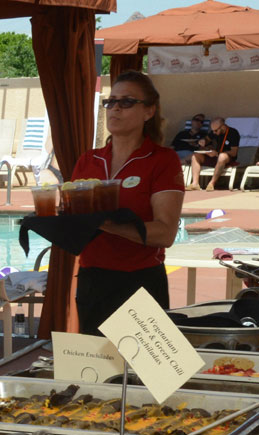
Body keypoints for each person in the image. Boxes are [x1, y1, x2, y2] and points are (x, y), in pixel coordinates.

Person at [71, 71, 184, 335]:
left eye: (127, 102)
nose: (116, 108)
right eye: (111, 102)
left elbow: (165, 233)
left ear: (149, 111)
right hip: (92, 281)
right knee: (96, 372)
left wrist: (105, 224)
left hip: (139, 281)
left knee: (145, 374)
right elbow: (74, 222)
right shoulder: (89, 160)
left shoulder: (162, 160)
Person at [189, 116, 239, 191]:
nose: (214, 133)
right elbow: (207, 139)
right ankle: (195, 183)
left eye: (216, 130)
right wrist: (203, 141)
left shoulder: (233, 133)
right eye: (213, 131)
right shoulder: (214, 132)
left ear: (223, 127)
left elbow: (234, 153)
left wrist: (217, 153)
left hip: (227, 158)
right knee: (195, 156)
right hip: (215, 156)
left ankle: (211, 183)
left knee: (222, 156)